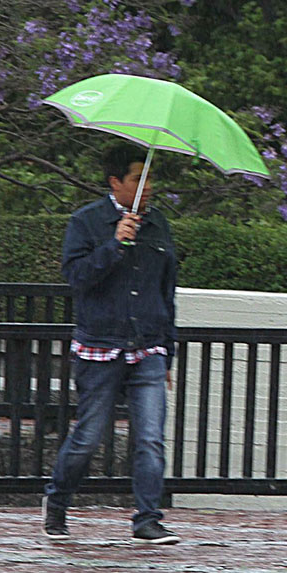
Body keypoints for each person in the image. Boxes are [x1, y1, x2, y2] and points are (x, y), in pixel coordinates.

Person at [42, 144, 180, 544]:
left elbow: (165, 291)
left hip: (148, 346)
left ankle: (148, 518)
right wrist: (115, 245)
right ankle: (58, 501)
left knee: (151, 437)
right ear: (115, 182)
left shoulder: (159, 226)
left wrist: (168, 351)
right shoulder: (86, 222)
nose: (148, 186)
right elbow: (78, 278)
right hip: (100, 347)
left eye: (150, 178)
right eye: (139, 178)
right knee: (87, 437)